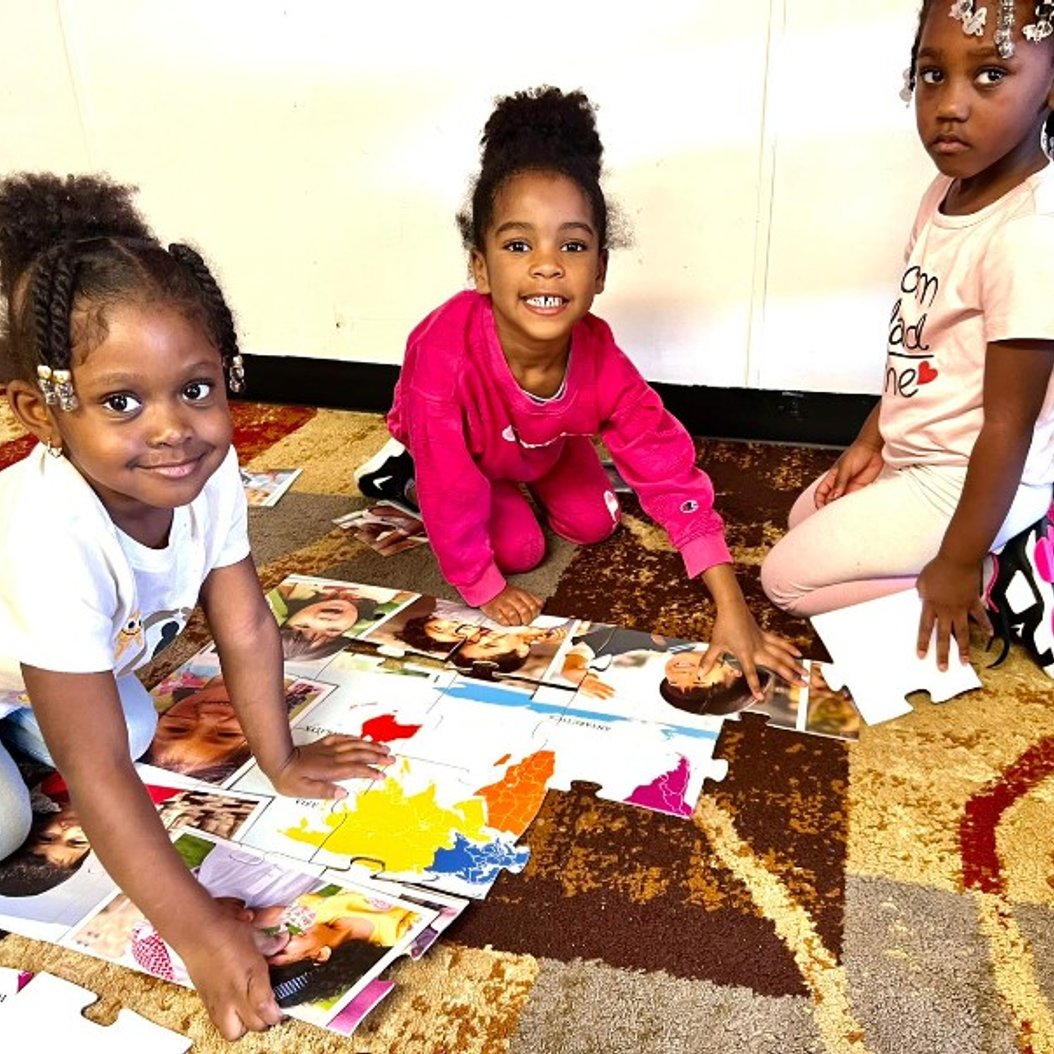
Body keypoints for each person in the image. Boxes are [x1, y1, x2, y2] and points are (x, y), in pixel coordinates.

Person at [0, 173, 392, 1040]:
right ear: (38, 412)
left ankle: (26, 727)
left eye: (197, 388)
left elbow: (244, 622)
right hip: (30, 660)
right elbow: (97, 772)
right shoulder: (48, 535)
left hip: (38, 672)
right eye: (121, 402)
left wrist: (280, 758)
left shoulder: (202, 474)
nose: (174, 428)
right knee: (9, 822)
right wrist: (198, 931)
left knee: (137, 727)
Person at [357, 86, 802, 697]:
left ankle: (535, 460)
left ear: (600, 270)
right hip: (462, 456)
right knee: (517, 550)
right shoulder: (442, 353)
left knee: (596, 522)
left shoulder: (603, 362)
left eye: (572, 245)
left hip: (542, 445)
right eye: (518, 245)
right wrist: (480, 585)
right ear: (480, 267)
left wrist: (732, 606)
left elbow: (669, 474)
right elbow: (454, 490)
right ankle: (402, 472)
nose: (547, 265)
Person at [761, 0, 1054, 675]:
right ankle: (972, 553)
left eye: (990, 75)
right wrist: (872, 441)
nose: (950, 105)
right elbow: (917, 349)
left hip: (972, 477)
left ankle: (994, 575)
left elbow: (1008, 426)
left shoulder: (1028, 236)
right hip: (920, 452)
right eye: (932, 74)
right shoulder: (945, 189)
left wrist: (954, 562)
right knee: (805, 516)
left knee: (786, 581)